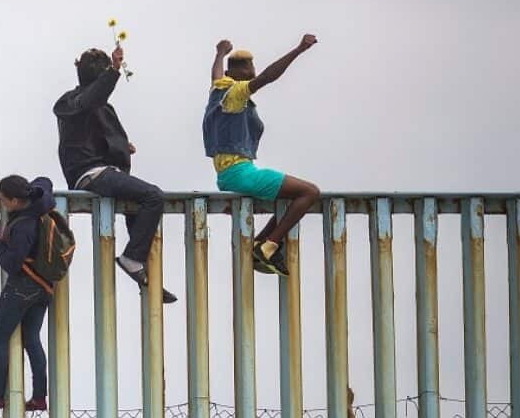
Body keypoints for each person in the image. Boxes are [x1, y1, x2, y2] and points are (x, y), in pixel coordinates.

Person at [54, 43, 176, 303]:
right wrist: (114, 70)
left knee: (140, 209)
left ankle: (144, 272)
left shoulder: (98, 108)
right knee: (153, 196)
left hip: (103, 171)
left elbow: (103, 136)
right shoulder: (71, 101)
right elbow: (91, 100)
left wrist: (123, 146)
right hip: (91, 174)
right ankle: (132, 259)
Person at [204, 35, 322, 276]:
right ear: (241, 73)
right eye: (250, 68)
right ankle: (269, 246)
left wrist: (220, 53)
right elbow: (268, 77)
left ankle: (260, 242)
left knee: (288, 197)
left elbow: (216, 74)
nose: (254, 72)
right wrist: (298, 49)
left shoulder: (219, 89)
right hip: (240, 173)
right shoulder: (236, 94)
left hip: (229, 173)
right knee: (310, 192)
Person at [0, 175, 58, 412]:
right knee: (31, 339)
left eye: (4, 200)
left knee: (0, 338)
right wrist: (33, 188)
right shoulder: (41, 202)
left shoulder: (23, 226)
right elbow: (46, 181)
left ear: (14, 200)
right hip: (43, 287)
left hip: (21, 286)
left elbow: (12, 264)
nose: (2, 203)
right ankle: (39, 397)